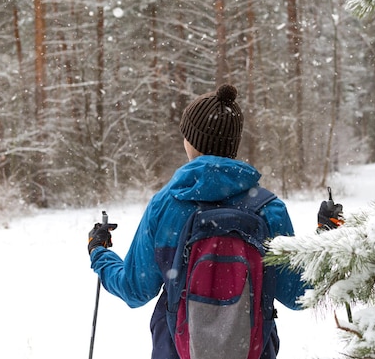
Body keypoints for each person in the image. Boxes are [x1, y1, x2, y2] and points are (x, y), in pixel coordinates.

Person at [88, 84, 307, 359]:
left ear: (191, 141)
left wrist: (99, 253)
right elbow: (299, 294)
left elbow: (135, 290)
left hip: (177, 350)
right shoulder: (269, 209)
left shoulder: (166, 205)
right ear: (233, 145)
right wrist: (331, 233)